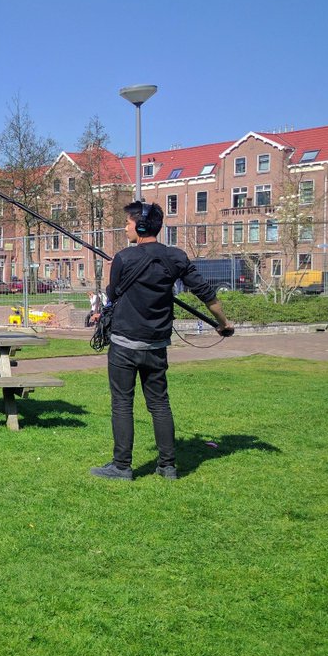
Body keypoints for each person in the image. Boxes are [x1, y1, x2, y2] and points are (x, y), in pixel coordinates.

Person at [90, 201, 233, 482]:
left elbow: (113, 293)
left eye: (128, 223)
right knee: (159, 404)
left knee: (122, 403)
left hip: (125, 346)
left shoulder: (123, 258)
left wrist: (114, 270)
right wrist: (224, 323)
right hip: (156, 347)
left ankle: (121, 467)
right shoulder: (175, 258)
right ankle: (167, 466)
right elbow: (206, 294)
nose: (126, 228)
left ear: (141, 226)